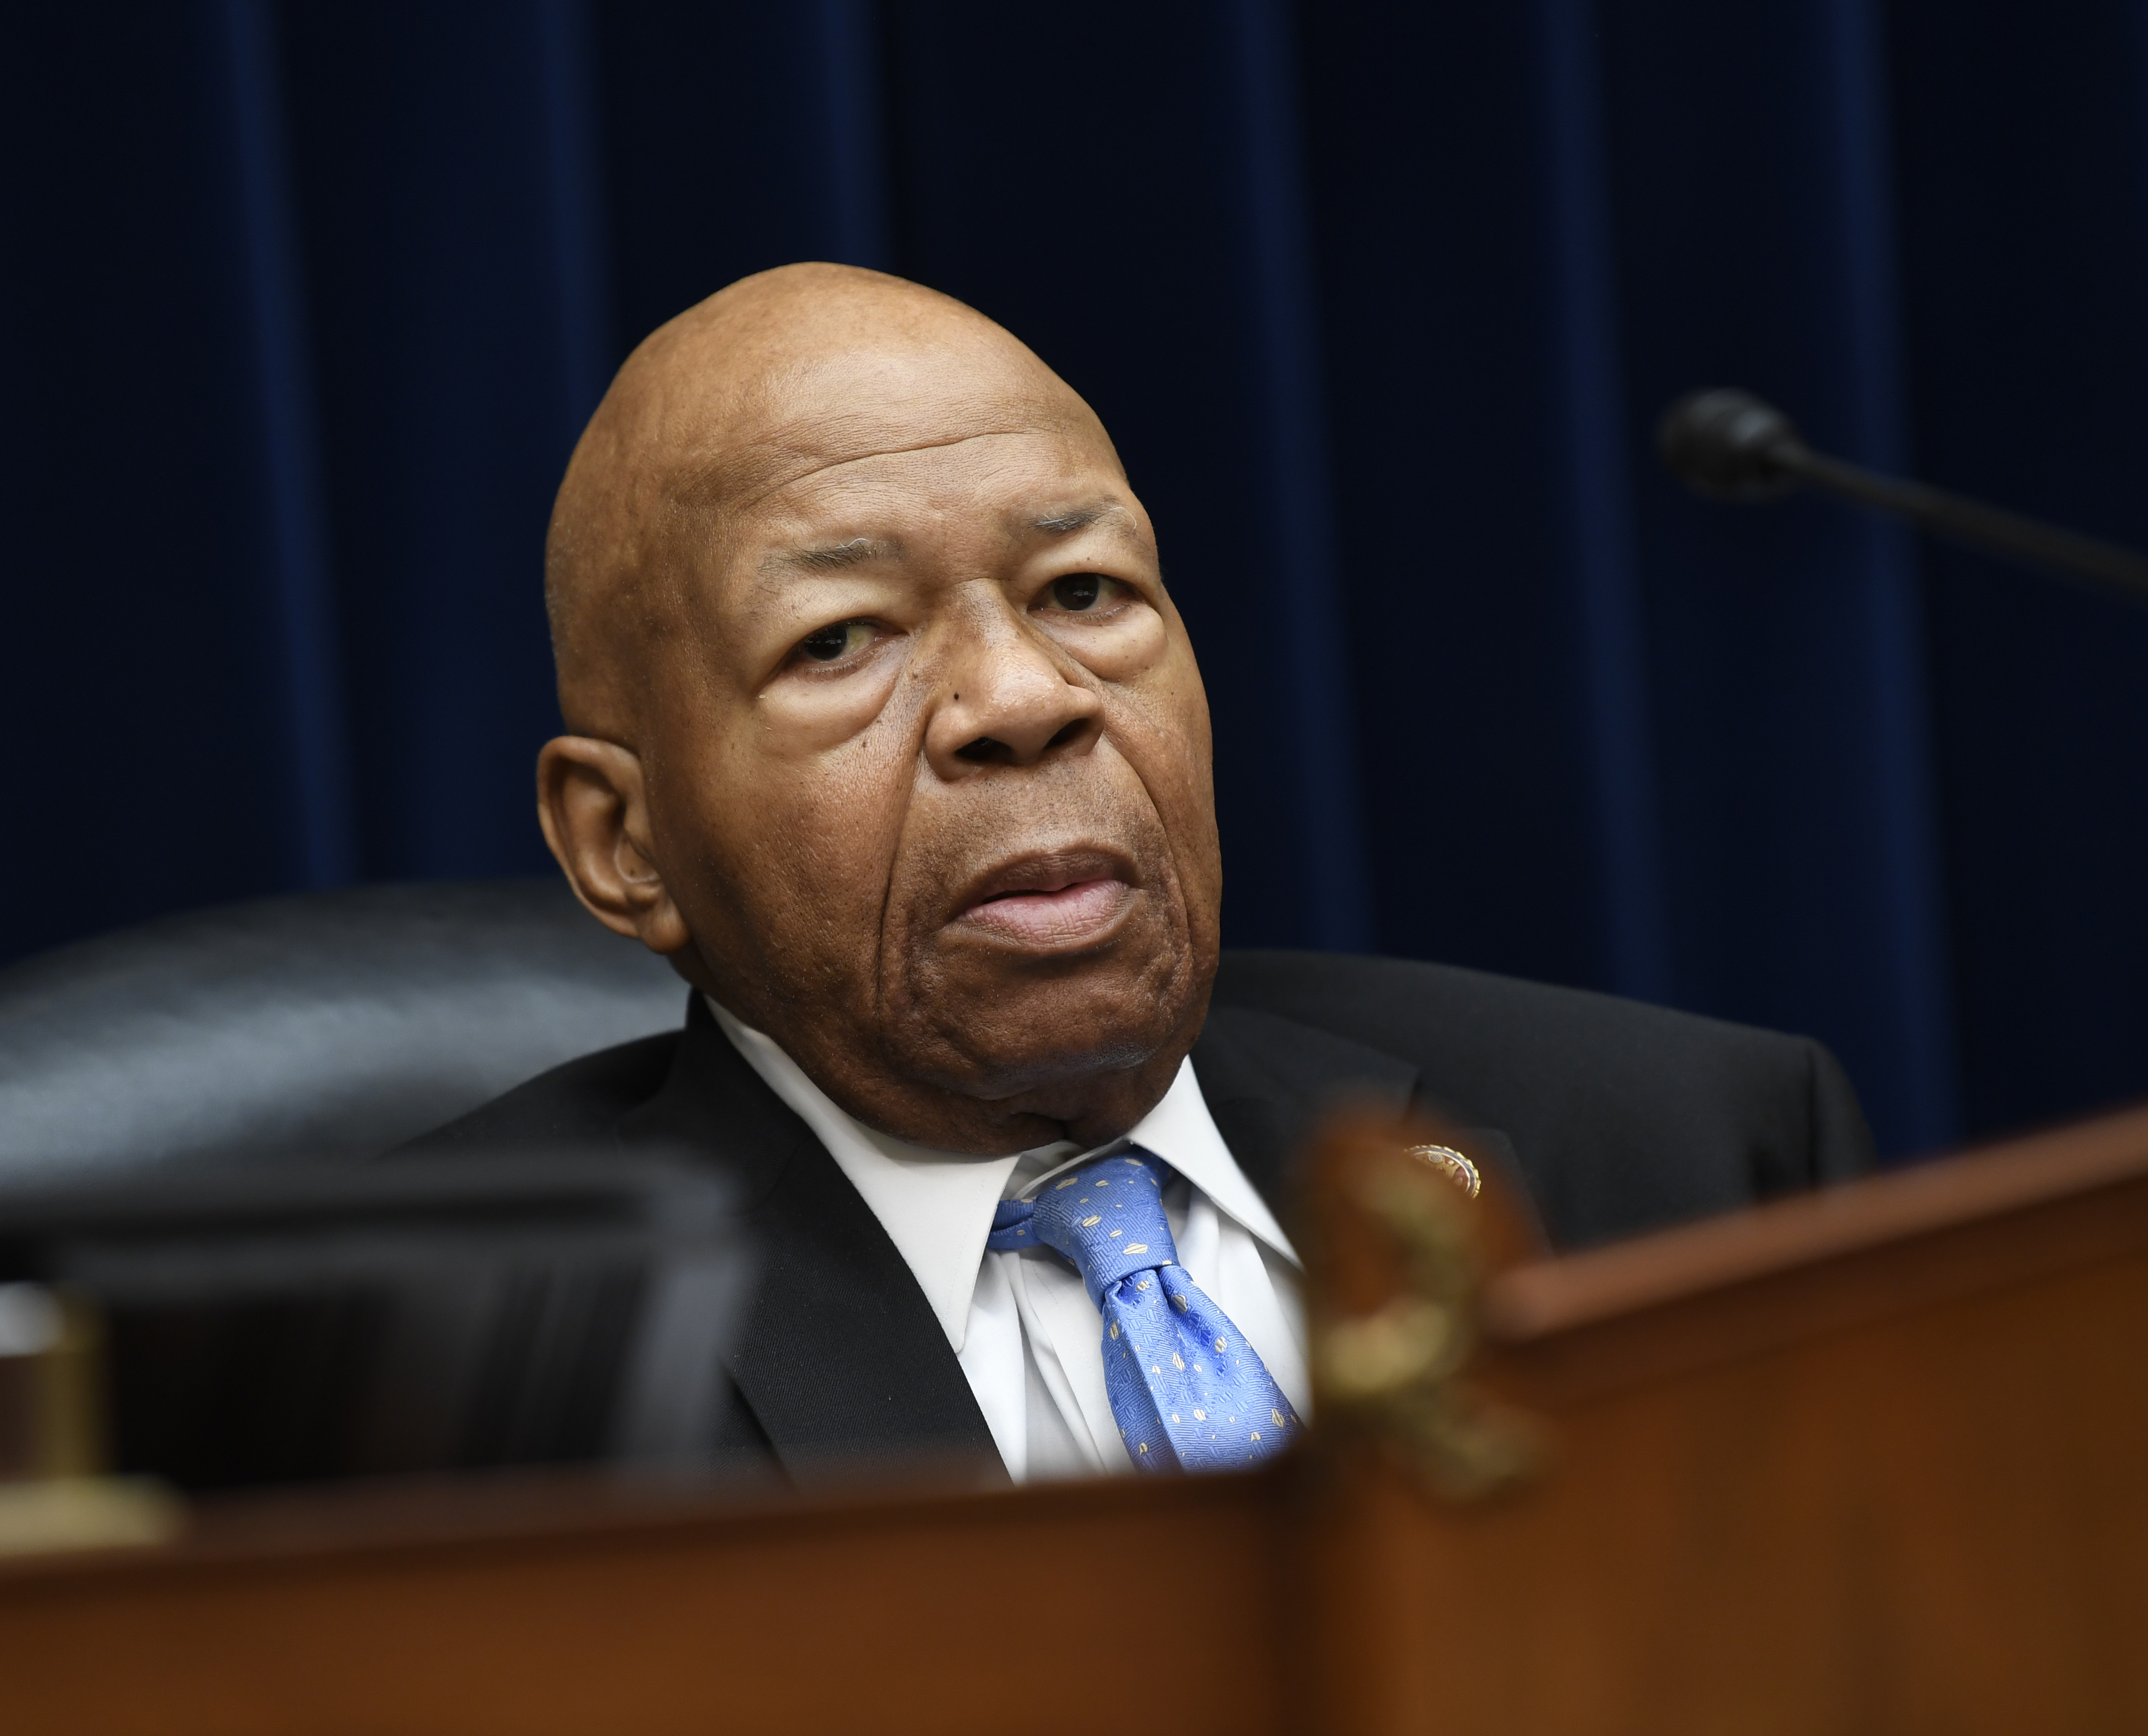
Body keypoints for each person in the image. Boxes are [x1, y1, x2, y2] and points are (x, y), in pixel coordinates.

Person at [403, 263, 1873, 1485]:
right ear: (624, 842)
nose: (1023, 695)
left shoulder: (1689, 1159)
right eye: (841, 637)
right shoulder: (442, 1373)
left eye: (1085, 592)